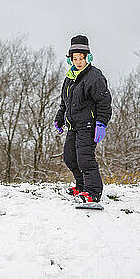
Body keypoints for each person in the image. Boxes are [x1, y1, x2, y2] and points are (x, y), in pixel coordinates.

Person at [54, 35, 112, 203]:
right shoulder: (70, 77)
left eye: (81, 58)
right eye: (75, 58)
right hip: (74, 125)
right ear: (70, 59)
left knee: (85, 158)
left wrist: (101, 123)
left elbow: (104, 101)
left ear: (88, 57)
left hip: (88, 125)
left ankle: (93, 192)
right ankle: (81, 187)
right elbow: (64, 102)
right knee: (70, 157)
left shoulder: (94, 77)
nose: (78, 61)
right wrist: (60, 118)